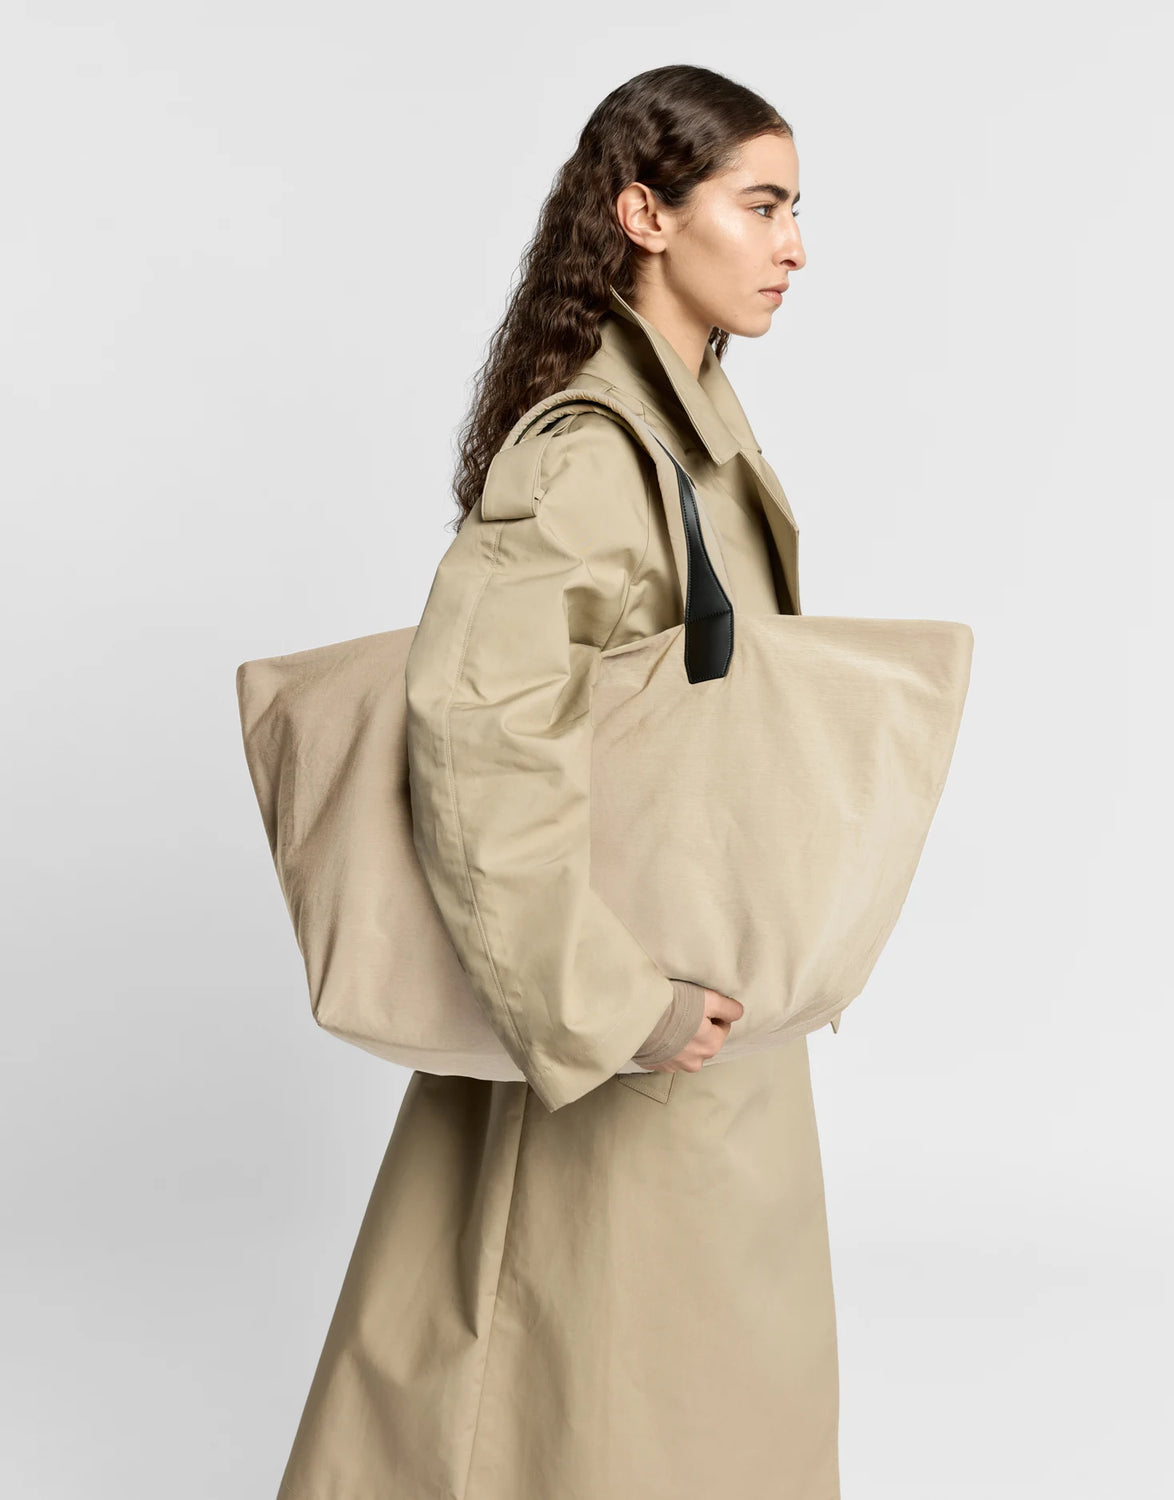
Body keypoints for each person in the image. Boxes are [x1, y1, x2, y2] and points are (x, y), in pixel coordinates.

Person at [276, 64, 840, 1500]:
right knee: (592, 1412)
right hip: (629, 1032)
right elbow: (474, 747)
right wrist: (612, 1005)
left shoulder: (691, 440)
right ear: (646, 214)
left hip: (690, 1024)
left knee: (657, 1409)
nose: (792, 246)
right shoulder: (594, 457)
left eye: (795, 210)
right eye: (761, 205)